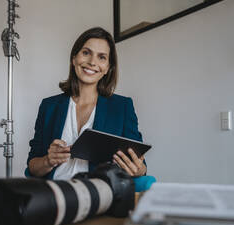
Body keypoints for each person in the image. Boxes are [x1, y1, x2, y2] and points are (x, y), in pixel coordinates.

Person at [25, 27, 147, 180]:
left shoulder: (122, 107)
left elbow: (141, 166)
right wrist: (48, 160)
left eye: (101, 57)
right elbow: (32, 166)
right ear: (74, 58)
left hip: (99, 195)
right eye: (86, 53)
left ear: (108, 68)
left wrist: (137, 169)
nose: (92, 62)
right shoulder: (49, 106)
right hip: (55, 193)